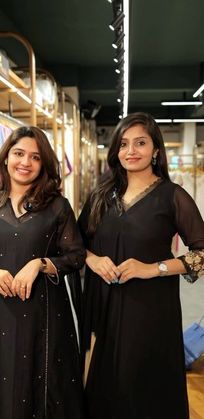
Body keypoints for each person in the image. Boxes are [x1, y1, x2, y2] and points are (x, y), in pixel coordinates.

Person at [78, 112, 204, 419]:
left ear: (156, 150)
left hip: (151, 310)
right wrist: (94, 261)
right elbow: (75, 246)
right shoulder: (100, 196)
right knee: (108, 385)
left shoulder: (172, 196)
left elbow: (201, 253)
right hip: (104, 309)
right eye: (123, 144)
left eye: (140, 143)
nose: (131, 151)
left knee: (146, 384)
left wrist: (152, 268)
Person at [0, 126, 86, 419]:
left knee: (46, 388)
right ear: (6, 157)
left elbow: (76, 256)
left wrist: (40, 264)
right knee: (1, 389)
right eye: (19, 153)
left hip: (46, 316)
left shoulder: (57, 206)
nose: (25, 162)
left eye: (35, 157)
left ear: (43, 164)